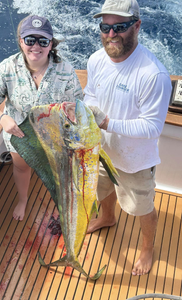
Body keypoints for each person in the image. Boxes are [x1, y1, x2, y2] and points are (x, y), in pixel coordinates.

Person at [83, 0, 172, 276]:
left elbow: (152, 127)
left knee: (142, 207)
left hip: (136, 160)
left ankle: (147, 249)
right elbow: (91, 94)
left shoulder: (153, 74)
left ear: (137, 26)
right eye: (105, 27)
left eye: (119, 27)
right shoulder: (96, 60)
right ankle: (108, 217)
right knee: (103, 190)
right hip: (101, 149)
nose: (111, 35)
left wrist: (108, 122)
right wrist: (89, 112)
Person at [0, 15, 83, 221]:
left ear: (50, 44)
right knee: (21, 167)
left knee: (58, 171)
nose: (36, 46)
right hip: (20, 137)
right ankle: (23, 199)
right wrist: (2, 118)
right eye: (30, 40)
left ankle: (62, 202)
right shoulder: (7, 67)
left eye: (43, 41)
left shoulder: (66, 71)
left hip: (54, 137)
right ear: (20, 41)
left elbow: (77, 105)